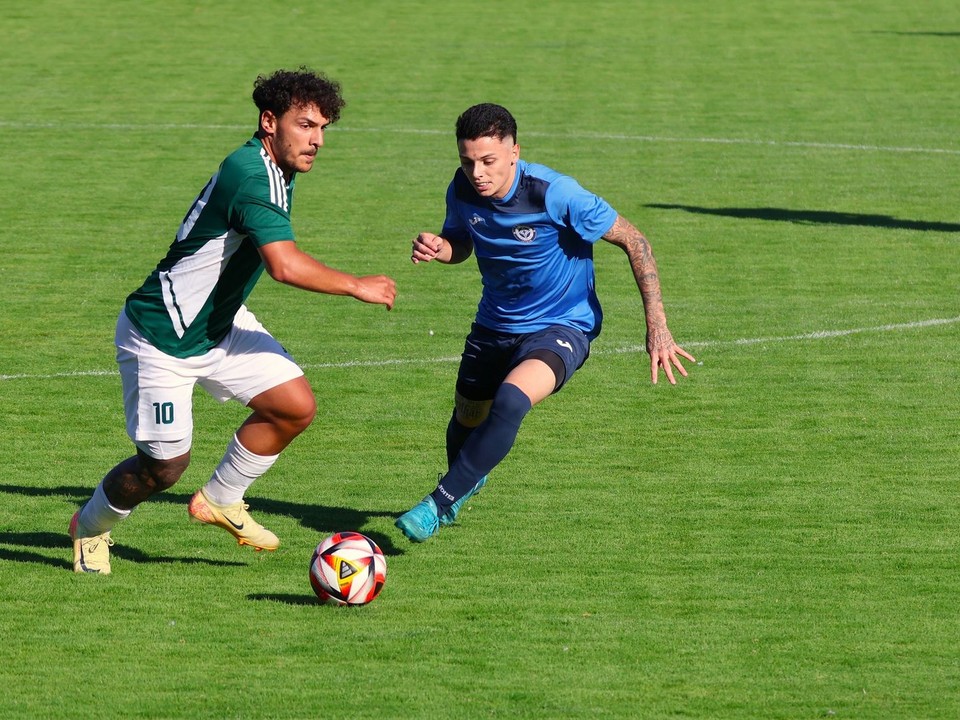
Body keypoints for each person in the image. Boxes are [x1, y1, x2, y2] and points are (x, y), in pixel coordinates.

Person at [69, 68, 397, 574]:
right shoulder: (252, 175)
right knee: (163, 468)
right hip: (163, 337)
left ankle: (221, 498)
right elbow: (283, 265)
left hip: (218, 325)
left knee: (293, 407)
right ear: (270, 122)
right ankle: (90, 528)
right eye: (305, 125)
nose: (317, 140)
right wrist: (357, 284)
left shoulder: (275, 167)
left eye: (323, 128)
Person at [395, 103, 693, 542]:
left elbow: (635, 240)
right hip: (494, 324)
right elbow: (462, 242)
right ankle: (463, 483)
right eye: (467, 161)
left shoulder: (555, 193)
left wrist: (658, 327)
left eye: (488, 161)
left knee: (512, 402)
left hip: (562, 325)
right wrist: (440, 247)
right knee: (466, 420)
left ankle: (437, 505)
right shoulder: (460, 189)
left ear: (514, 152)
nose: (477, 172)